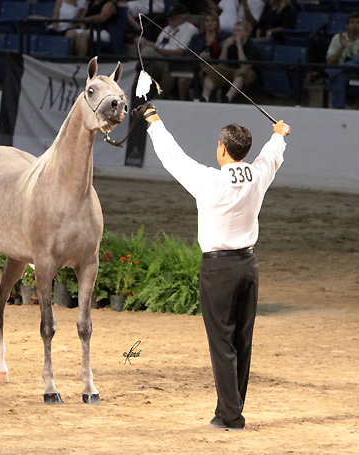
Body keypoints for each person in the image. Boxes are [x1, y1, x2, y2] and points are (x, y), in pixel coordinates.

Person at [132, 101, 291, 431]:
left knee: (222, 342)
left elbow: (173, 157)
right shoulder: (258, 174)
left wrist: (152, 118)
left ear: (222, 149)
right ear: (242, 150)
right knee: (242, 341)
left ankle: (231, 415)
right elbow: (272, 153)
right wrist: (279, 134)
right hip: (248, 265)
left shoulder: (209, 180)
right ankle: (229, 409)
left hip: (218, 269)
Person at [140, 3, 199, 98]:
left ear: (182, 17)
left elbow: (181, 52)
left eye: (174, 18)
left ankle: (156, 97)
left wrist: (156, 49)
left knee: (148, 52)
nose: (170, 20)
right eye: (170, 17)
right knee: (145, 50)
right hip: (158, 59)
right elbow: (158, 44)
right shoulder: (167, 28)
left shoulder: (190, 29)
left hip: (174, 60)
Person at [200, 20, 260, 103]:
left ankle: (228, 97)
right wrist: (225, 47)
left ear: (246, 33)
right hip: (229, 69)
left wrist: (239, 46)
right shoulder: (230, 43)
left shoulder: (252, 46)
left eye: (239, 30)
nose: (235, 33)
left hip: (245, 71)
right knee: (212, 70)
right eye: (234, 30)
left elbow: (245, 66)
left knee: (242, 73)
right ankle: (205, 97)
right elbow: (222, 63)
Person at [177, 12, 222, 100]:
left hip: (214, 66)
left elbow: (225, 55)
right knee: (183, 79)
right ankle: (181, 100)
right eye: (207, 21)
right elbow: (188, 53)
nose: (209, 23)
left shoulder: (223, 37)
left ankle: (204, 98)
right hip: (196, 64)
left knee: (204, 74)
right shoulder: (196, 37)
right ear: (203, 23)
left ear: (217, 23)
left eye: (212, 21)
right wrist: (199, 56)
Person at [325, 11, 359, 109]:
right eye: (352, 22)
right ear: (347, 26)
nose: (355, 25)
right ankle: (339, 110)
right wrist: (342, 48)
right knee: (339, 77)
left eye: (358, 22)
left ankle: (332, 72)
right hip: (344, 74)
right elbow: (329, 61)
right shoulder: (338, 38)